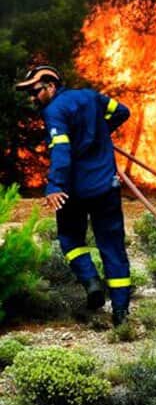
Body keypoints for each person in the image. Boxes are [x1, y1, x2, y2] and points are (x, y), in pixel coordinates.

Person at [16, 65, 133, 326]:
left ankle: (91, 282)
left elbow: (61, 151)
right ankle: (121, 313)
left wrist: (55, 185)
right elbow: (122, 112)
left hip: (75, 191)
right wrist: (101, 132)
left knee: (69, 238)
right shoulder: (91, 96)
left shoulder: (54, 110)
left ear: (51, 86)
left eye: (35, 92)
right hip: (106, 187)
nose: (32, 98)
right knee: (112, 247)